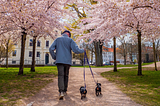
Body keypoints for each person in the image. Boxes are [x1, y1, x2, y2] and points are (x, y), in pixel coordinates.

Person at [49, 30, 85, 100]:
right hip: (67, 62)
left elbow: (51, 49)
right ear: (68, 34)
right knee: (66, 76)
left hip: (59, 61)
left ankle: (61, 92)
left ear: (63, 34)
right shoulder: (70, 40)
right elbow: (76, 50)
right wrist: (83, 50)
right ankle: (65, 90)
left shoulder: (57, 39)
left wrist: (54, 57)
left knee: (60, 76)